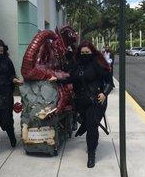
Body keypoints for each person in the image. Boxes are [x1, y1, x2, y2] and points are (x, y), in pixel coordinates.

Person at [49, 40, 114, 168]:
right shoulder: (77, 65)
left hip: (96, 101)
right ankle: (88, 132)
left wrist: (104, 93)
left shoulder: (99, 64)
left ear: (92, 52)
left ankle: (91, 154)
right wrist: (57, 79)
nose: (85, 54)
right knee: (87, 123)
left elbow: (109, 82)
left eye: (87, 52)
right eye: (82, 52)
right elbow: (70, 78)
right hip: (81, 102)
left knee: (91, 127)